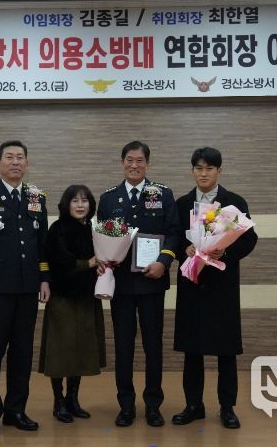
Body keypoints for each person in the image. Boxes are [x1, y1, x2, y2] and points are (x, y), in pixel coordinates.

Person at [0, 140, 51, 438]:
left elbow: (42, 245)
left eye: (20, 157)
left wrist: (44, 279)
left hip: (27, 289)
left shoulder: (37, 198)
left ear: (27, 163)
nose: (15, 162)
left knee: (22, 353)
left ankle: (16, 410)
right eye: (9, 157)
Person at [172, 147, 258, 429]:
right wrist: (183, 248)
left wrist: (226, 252)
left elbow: (249, 239)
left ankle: (227, 408)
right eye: (198, 168)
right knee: (192, 350)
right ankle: (193, 405)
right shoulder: (182, 203)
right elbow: (173, 236)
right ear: (192, 171)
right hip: (192, 284)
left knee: (226, 350)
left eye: (209, 168)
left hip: (222, 286)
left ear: (219, 171)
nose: (203, 173)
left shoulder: (234, 203)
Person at [97, 141, 180, 428]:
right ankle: (126, 406)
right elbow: (101, 235)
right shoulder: (109, 198)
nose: (134, 165)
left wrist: (164, 262)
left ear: (147, 163)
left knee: (153, 345)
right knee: (123, 346)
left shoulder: (163, 194)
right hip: (121, 285)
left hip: (152, 282)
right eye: (130, 160)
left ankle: (153, 405)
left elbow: (173, 233)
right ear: (122, 162)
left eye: (140, 160)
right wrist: (105, 259)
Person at [38, 185, 107, 423]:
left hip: (87, 296)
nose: (80, 205)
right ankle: (58, 401)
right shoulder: (57, 228)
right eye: (75, 201)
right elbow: (58, 262)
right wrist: (88, 263)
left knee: (81, 349)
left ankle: (73, 399)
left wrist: (104, 265)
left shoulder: (94, 230)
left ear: (91, 205)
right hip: (62, 298)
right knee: (61, 350)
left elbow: (103, 258)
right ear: (66, 204)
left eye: (84, 201)